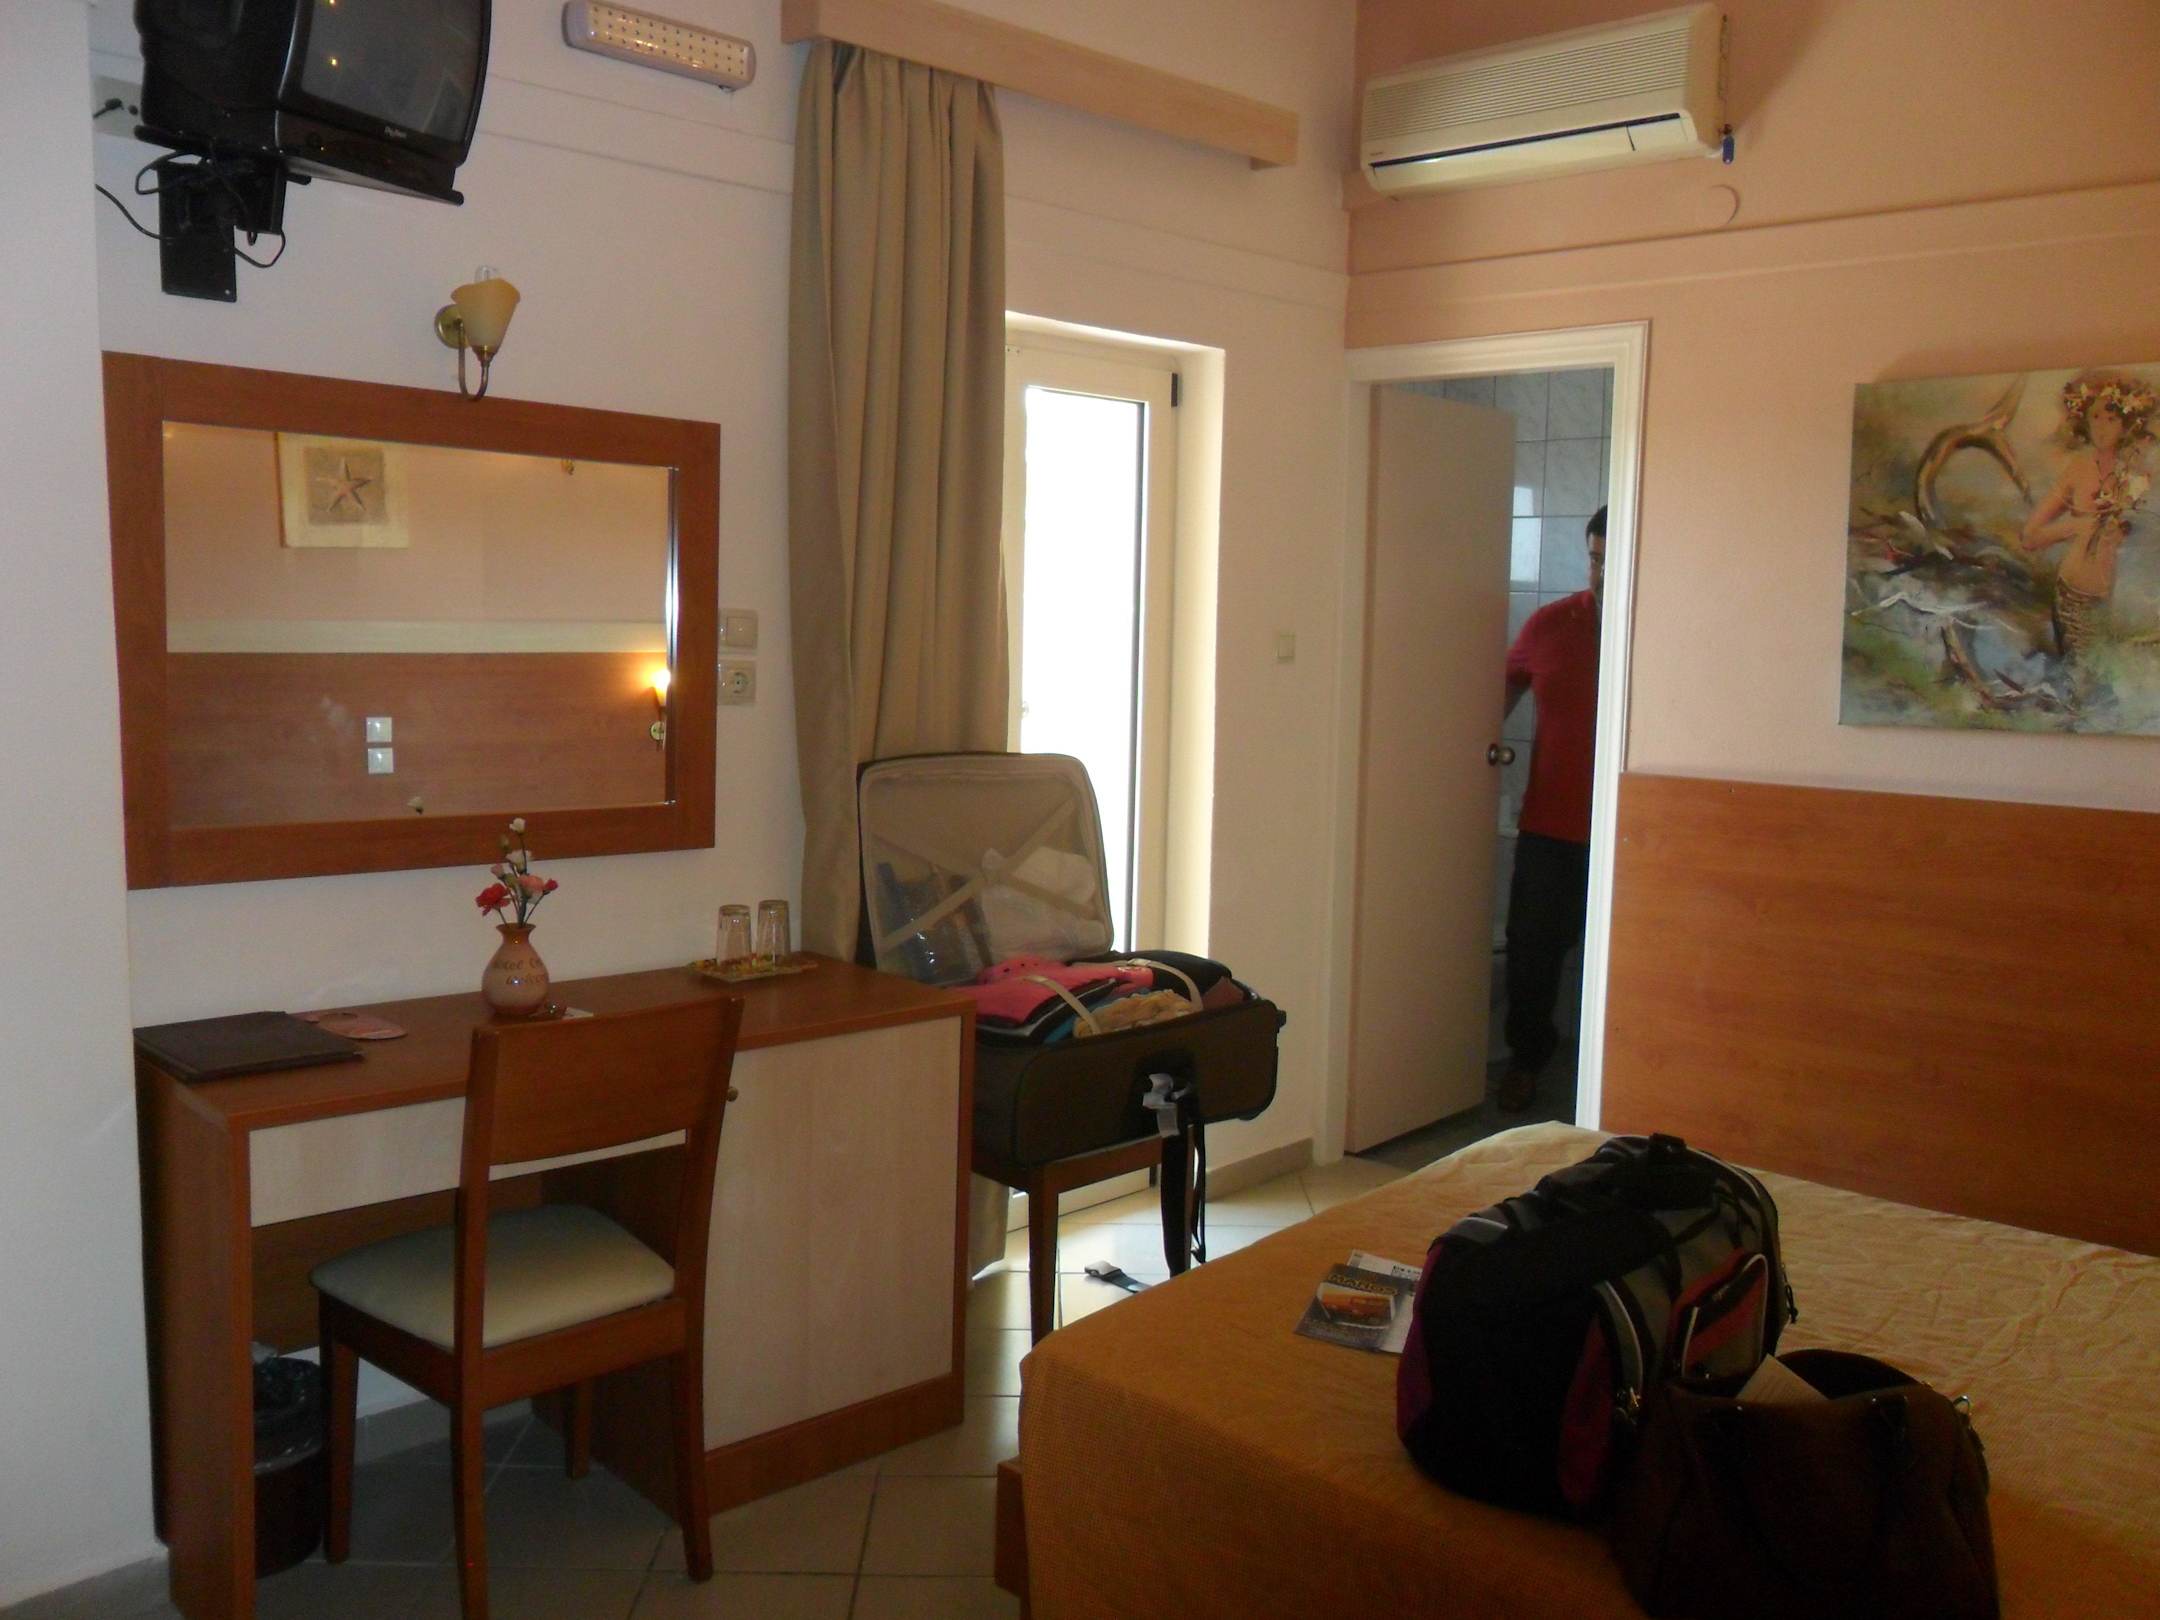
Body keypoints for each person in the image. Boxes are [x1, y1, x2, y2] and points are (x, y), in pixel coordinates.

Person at [1496, 506, 1604, 1114]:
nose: (1601, 573)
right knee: (1532, 953)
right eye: (1594, 559)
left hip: (1635, 834)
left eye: (1613, 560)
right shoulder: (1552, 624)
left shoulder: (1664, 629)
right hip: (1550, 828)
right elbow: (1492, 700)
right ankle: (1526, 1062)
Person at [2018, 370, 2155, 659]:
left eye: (2111, 419)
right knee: (2081, 671)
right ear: (2085, 421)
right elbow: (2030, 537)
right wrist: (2079, 525)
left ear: (2125, 425)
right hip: (2074, 594)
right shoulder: (2078, 470)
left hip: (2107, 597)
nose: (2102, 427)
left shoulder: (2136, 475)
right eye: (2095, 417)